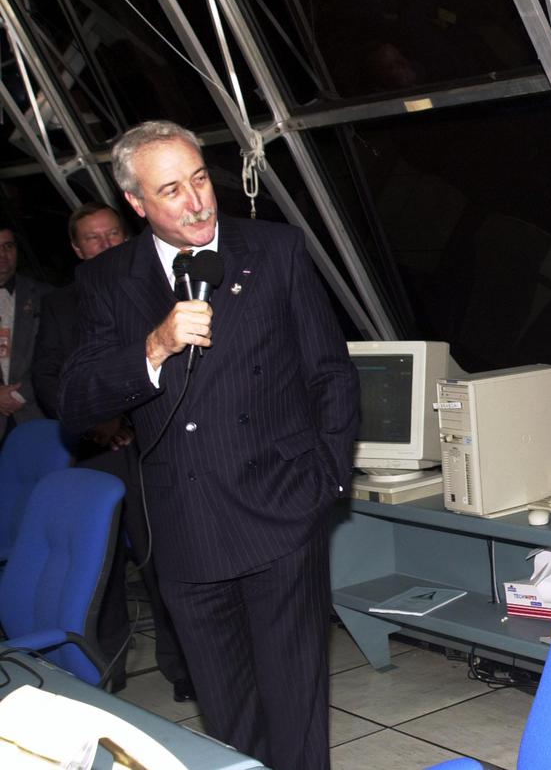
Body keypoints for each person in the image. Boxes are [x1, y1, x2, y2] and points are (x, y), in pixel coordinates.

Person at [59, 120, 359, 770]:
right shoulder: (109, 279)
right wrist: (154, 347)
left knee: (295, 701)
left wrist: (328, 480)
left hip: (282, 505)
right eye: (171, 190)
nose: (196, 201)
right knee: (226, 710)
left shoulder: (275, 250)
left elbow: (330, 372)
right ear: (137, 203)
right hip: (187, 522)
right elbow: (77, 403)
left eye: (199, 179)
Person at [32, 200, 195, 700]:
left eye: (113, 235)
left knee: (162, 560)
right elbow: (49, 378)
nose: (106, 245)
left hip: (153, 443)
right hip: (97, 450)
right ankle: (104, 670)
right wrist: (101, 424)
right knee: (98, 570)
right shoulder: (61, 304)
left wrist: (128, 419)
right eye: (94, 239)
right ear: (79, 251)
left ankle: (183, 669)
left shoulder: (157, 290)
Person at [0, 222, 52, 440]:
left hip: (35, 415)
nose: (2, 255)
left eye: (8, 246)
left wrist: (19, 394)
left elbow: (58, 357)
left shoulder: (45, 297)